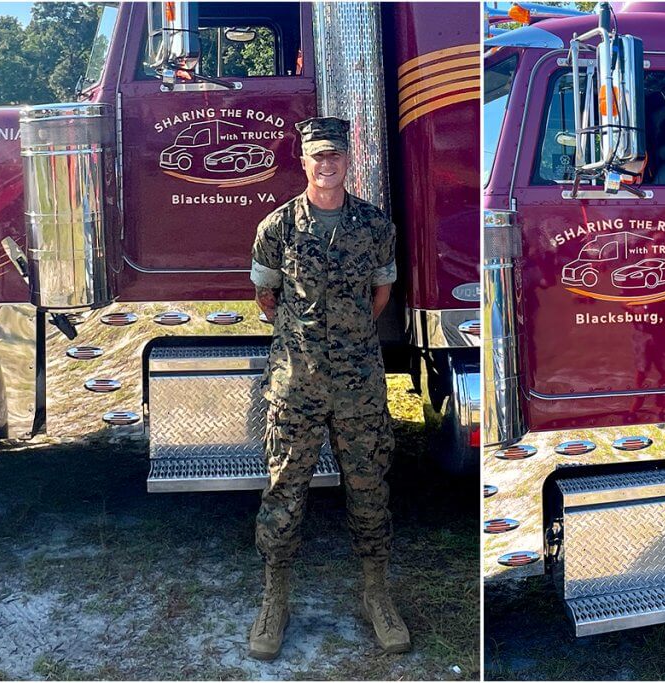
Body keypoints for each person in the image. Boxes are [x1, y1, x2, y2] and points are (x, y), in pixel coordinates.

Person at [247, 116, 407, 660]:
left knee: (369, 491)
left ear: (348, 159)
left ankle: (376, 595)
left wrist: (348, 331)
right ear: (304, 160)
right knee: (284, 494)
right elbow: (267, 298)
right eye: (317, 155)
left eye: (335, 155)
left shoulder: (374, 224)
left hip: (358, 384)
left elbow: (381, 291)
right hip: (297, 384)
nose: (327, 164)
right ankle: (275, 599)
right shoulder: (278, 228)